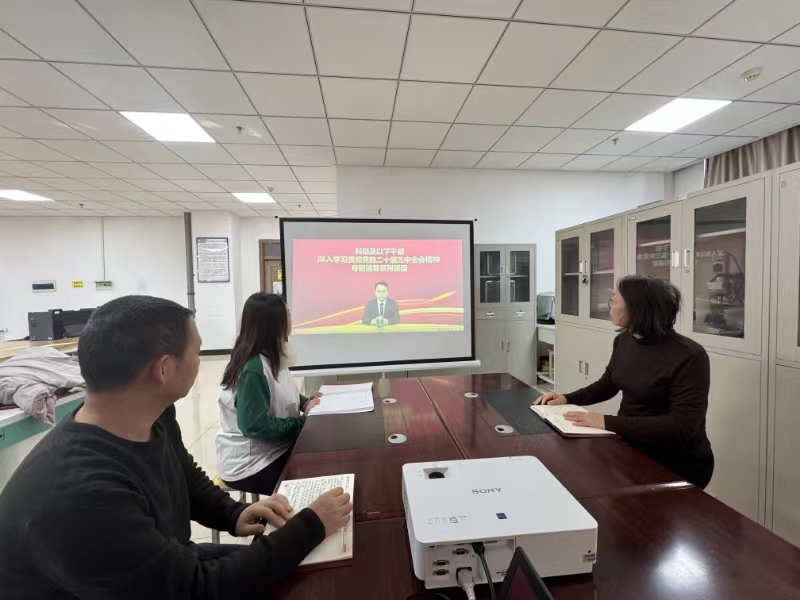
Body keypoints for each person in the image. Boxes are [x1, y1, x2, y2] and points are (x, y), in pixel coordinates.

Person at [0, 295, 352, 600]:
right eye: (197, 352)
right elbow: (197, 590)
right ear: (164, 369)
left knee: (302, 568)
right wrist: (311, 525)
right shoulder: (83, 493)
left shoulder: (150, 417)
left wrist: (233, 514)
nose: (200, 362)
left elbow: (184, 475)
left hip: (161, 569)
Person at [536, 276, 714, 489]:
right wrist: (566, 398)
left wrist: (605, 422)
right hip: (631, 446)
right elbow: (608, 384)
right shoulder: (624, 341)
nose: (608, 306)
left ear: (637, 308)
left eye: (613, 300)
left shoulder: (689, 355)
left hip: (676, 461)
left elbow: (682, 425)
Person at [217, 292, 320, 495]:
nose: (290, 318)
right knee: (316, 469)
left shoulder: (270, 355)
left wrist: (304, 402)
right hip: (251, 464)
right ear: (275, 324)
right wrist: (303, 422)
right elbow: (255, 426)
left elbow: (281, 392)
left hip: (271, 450)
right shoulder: (254, 367)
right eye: (287, 313)